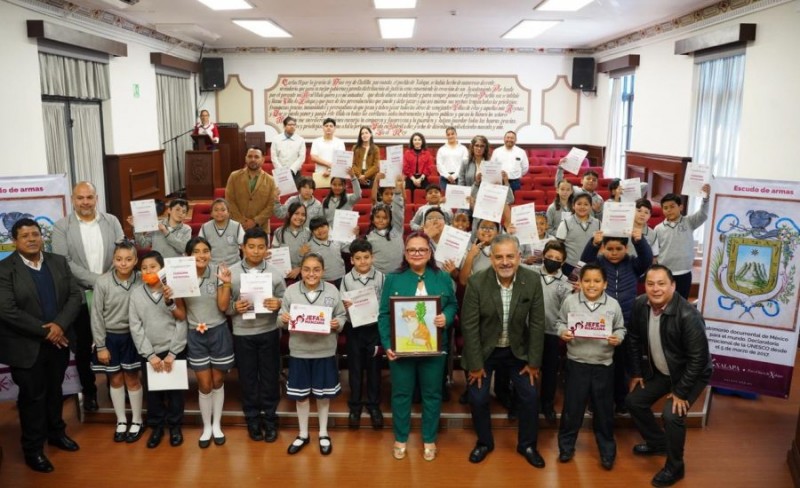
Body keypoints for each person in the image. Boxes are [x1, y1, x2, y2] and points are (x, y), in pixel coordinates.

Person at [0, 218, 82, 473]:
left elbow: (74, 296)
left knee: (56, 391)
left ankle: (57, 434)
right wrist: (48, 331)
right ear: (15, 241)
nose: (32, 239)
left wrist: (59, 325)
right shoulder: (5, 269)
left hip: (58, 343)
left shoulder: (58, 261)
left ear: (41, 236)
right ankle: (33, 449)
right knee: (32, 398)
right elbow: (7, 310)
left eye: (35, 234)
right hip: (26, 347)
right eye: (25, 236)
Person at [460, 234, 546, 468]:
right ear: (491, 259)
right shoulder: (477, 282)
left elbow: (537, 323)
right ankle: (484, 442)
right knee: (478, 398)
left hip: (517, 350)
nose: (505, 262)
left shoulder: (532, 279)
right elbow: (469, 326)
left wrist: (534, 362)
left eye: (510, 256)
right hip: (484, 350)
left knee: (530, 395)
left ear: (519, 257)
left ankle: (527, 445)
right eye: (499, 257)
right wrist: (476, 365)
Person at [625, 264, 713, 487]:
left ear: (673, 286)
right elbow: (633, 338)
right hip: (663, 371)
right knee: (634, 401)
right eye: (650, 284)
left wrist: (681, 392)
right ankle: (658, 443)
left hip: (690, 374)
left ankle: (675, 467)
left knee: (672, 415)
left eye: (661, 284)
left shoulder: (689, 315)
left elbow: (699, 359)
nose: (655, 289)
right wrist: (637, 372)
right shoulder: (640, 304)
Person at [378, 231, 458, 462]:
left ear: (430, 252)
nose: (417, 253)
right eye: (412, 250)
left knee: (432, 395)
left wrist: (446, 317)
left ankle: (429, 439)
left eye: (422, 249)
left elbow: (452, 305)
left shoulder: (442, 277)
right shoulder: (393, 279)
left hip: (434, 348)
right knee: (401, 394)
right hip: (400, 349)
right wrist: (387, 344)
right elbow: (384, 315)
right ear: (405, 253)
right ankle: (400, 438)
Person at [52, 181, 125, 412]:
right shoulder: (61, 227)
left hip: (112, 295)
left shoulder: (111, 221)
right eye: (80, 198)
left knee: (115, 341)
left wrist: (108, 279)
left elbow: (121, 252)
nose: (85, 202)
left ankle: (118, 387)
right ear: (73, 200)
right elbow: (64, 262)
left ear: (96, 199)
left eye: (89, 197)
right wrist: (97, 280)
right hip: (80, 297)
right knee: (83, 347)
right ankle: (90, 391)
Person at [556, 264, 625, 470]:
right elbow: (560, 322)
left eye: (597, 281)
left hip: (603, 365)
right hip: (576, 363)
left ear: (605, 284)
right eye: (587, 280)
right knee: (572, 409)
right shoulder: (570, 301)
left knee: (604, 412)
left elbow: (621, 328)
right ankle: (566, 447)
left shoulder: (613, 304)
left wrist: (618, 337)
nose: (591, 285)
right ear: (580, 282)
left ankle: (607, 451)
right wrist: (563, 332)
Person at [279, 253, 348, 456]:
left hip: (324, 351)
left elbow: (341, 315)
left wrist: (338, 323)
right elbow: (279, 318)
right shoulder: (291, 291)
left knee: (323, 395)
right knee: (301, 396)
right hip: (299, 351)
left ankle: (323, 432)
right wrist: (283, 319)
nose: (311, 274)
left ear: (323, 271)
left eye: (316, 269)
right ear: (300, 270)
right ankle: (303, 434)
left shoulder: (332, 290)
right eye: (307, 269)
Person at [581, 229, 653, 413]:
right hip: (600, 322)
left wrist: (639, 241)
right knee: (599, 366)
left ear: (626, 248)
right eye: (609, 249)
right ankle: (595, 401)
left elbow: (647, 260)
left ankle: (621, 401)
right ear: (603, 248)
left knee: (622, 366)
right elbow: (584, 262)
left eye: (618, 249)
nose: (614, 253)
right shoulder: (598, 263)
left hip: (626, 323)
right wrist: (594, 243)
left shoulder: (633, 264)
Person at [228, 227, 286, 443]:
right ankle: (252, 418)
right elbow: (223, 305)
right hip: (242, 333)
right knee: (248, 377)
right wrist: (235, 307)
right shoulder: (232, 273)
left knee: (270, 377)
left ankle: (270, 418)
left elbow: (286, 301)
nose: (255, 251)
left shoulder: (275, 272)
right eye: (251, 247)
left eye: (261, 247)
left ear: (267, 248)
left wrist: (278, 303)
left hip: (268, 331)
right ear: (243, 248)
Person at [128, 250, 188, 449]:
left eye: (153, 267)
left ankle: (175, 427)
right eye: (144, 268)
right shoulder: (136, 294)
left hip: (173, 350)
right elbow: (135, 326)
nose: (148, 271)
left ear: (162, 269)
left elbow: (182, 321)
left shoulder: (173, 291)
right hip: (150, 353)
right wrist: (150, 355)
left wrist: (173, 353)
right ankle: (157, 427)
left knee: (175, 393)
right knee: (153, 394)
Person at [181, 237, 235, 448]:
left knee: (217, 381)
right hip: (195, 334)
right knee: (204, 384)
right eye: (196, 251)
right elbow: (180, 312)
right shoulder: (181, 275)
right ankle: (206, 427)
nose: (201, 255)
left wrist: (227, 282)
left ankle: (217, 425)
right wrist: (170, 297)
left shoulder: (218, 272)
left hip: (219, 332)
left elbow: (223, 306)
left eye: (205, 251)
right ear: (187, 255)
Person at [90, 240, 145, 443]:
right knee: (115, 379)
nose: (123, 263)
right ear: (113, 260)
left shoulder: (142, 279)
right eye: (119, 259)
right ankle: (121, 420)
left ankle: (137, 420)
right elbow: (96, 315)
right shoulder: (102, 282)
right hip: (110, 337)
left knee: (132, 379)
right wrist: (101, 345)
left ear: (136, 261)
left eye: (128, 259)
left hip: (133, 336)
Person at [340, 238, 385, 429]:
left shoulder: (382, 277)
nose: (363, 261)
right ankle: (355, 405)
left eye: (366, 257)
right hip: (355, 329)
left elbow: (385, 303)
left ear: (372, 257)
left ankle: (374, 405)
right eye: (358, 258)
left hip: (374, 329)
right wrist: (345, 305)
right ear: (352, 260)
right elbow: (342, 304)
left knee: (374, 368)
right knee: (355, 368)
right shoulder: (346, 279)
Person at [534, 240, 572, 422]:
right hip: (530, 331)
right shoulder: (531, 274)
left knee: (550, 371)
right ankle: (523, 403)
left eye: (557, 258)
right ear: (543, 256)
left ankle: (547, 404)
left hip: (552, 332)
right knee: (526, 368)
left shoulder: (567, 284)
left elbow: (566, 310)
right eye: (549, 256)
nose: (552, 260)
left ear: (562, 262)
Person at [653, 185, 710, 299]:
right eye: (665, 208)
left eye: (672, 206)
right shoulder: (658, 228)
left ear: (681, 207)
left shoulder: (689, 222)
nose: (669, 210)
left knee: (681, 302)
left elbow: (703, 214)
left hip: (684, 272)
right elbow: (655, 252)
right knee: (664, 300)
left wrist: (706, 198)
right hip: (665, 272)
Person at [225, 146, 281, 232]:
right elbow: (229, 201)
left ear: (262, 160)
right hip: (237, 227)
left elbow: (271, 205)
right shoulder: (234, 176)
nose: (253, 159)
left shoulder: (271, 180)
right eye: (250, 156)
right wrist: (241, 221)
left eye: (256, 157)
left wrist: (255, 221)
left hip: (261, 228)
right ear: (245, 158)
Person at [365, 174, 405, 274]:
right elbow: (373, 199)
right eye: (378, 217)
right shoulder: (370, 236)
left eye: (385, 217)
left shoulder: (396, 227)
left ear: (390, 219)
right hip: (378, 275)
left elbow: (399, 205)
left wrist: (399, 188)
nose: (381, 220)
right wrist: (376, 180)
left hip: (397, 274)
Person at [555, 192, 601, 277]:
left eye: (586, 204)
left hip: (592, 267)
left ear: (591, 207)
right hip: (570, 266)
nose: (582, 207)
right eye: (579, 204)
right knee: (571, 286)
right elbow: (558, 246)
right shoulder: (565, 223)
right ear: (573, 206)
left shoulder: (598, 223)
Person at [303, 216, 350, 289]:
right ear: (312, 232)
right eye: (316, 229)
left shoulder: (337, 239)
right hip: (323, 280)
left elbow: (350, 248)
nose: (320, 230)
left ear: (328, 227)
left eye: (322, 226)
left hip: (341, 276)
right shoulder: (309, 246)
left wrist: (352, 234)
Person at [198, 198, 245, 266]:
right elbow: (200, 247)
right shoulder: (205, 227)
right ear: (211, 213)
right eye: (216, 210)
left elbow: (244, 246)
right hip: (211, 266)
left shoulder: (237, 226)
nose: (219, 212)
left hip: (234, 265)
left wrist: (244, 265)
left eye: (223, 210)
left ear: (228, 213)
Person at [272, 201, 311, 281]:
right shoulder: (279, 232)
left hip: (304, 275)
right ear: (289, 214)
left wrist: (300, 268)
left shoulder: (308, 233)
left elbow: (312, 256)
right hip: (283, 275)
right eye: (296, 213)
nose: (300, 217)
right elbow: (274, 254)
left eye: (303, 215)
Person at [458, 219, 500, 286]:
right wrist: (470, 255)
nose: (487, 230)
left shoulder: (502, 251)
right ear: (477, 232)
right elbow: (463, 281)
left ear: (498, 233)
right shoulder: (468, 250)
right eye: (483, 227)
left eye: (491, 228)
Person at [270, 116, 306, 181]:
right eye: (289, 125)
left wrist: (292, 170)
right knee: (280, 188)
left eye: (294, 125)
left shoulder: (301, 140)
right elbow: (274, 157)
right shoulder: (276, 139)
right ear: (284, 126)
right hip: (280, 172)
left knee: (297, 187)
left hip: (295, 173)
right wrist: (281, 170)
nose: (292, 127)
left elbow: (301, 157)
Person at [436, 127, 469, 191]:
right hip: (444, 179)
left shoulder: (463, 149)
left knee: (459, 197)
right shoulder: (441, 149)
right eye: (448, 134)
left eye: (452, 134)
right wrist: (448, 176)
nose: (450, 136)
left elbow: (464, 164)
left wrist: (454, 176)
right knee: (444, 197)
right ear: (446, 136)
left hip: (460, 178)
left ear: (456, 134)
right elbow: (439, 165)